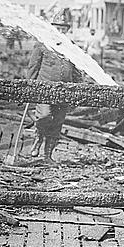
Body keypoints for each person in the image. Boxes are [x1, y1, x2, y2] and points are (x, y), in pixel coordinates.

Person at [27, 22, 83, 161]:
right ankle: (38, 138)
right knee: (45, 116)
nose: (60, 31)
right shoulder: (42, 44)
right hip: (45, 89)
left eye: (63, 28)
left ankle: (48, 156)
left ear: (67, 29)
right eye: (57, 28)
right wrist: (28, 87)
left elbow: (77, 71)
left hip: (64, 91)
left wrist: (77, 89)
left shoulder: (71, 46)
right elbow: (33, 67)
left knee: (57, 122)